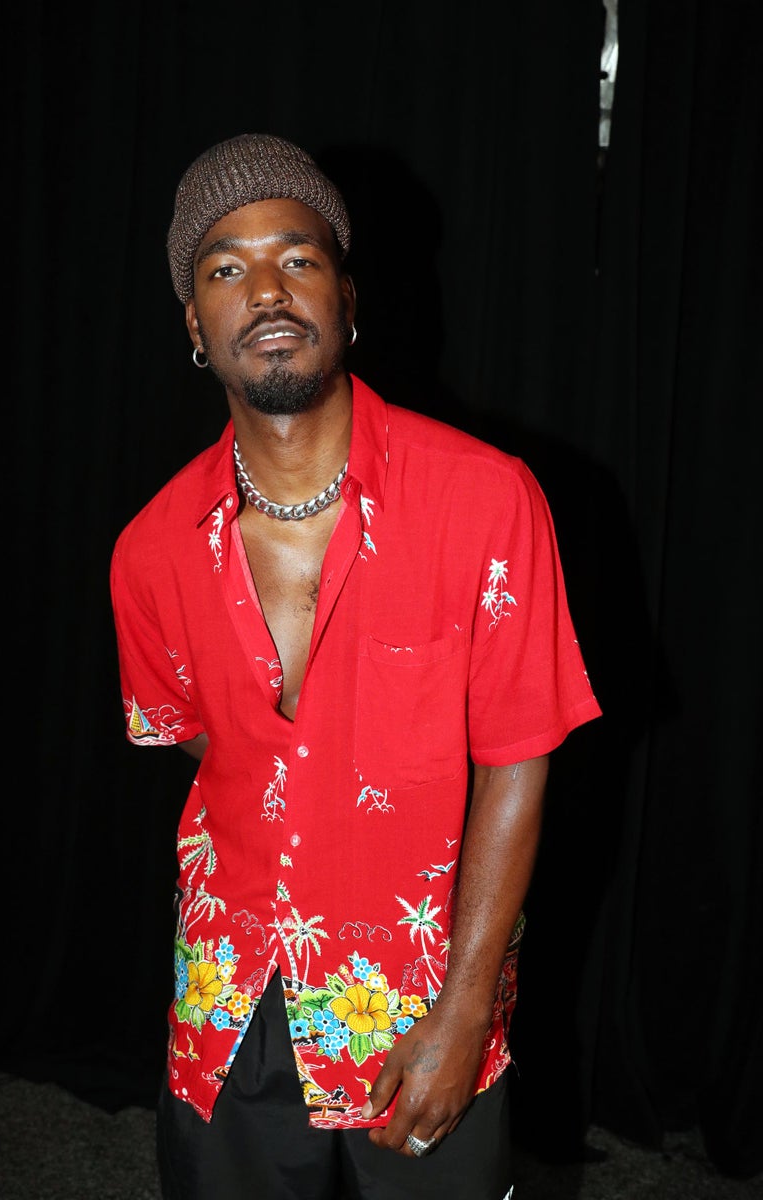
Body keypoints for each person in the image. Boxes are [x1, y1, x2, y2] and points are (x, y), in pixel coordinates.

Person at [109, 132, 602, 1200]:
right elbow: (192, 734)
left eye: (298, 258)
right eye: (225, 269)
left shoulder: (485, 500)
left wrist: (464, 1011)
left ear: (346, 298)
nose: (265, 290)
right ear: (194, 324)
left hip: (417, 1001)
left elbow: (516, 761)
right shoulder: (149, 549)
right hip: (226, 998)